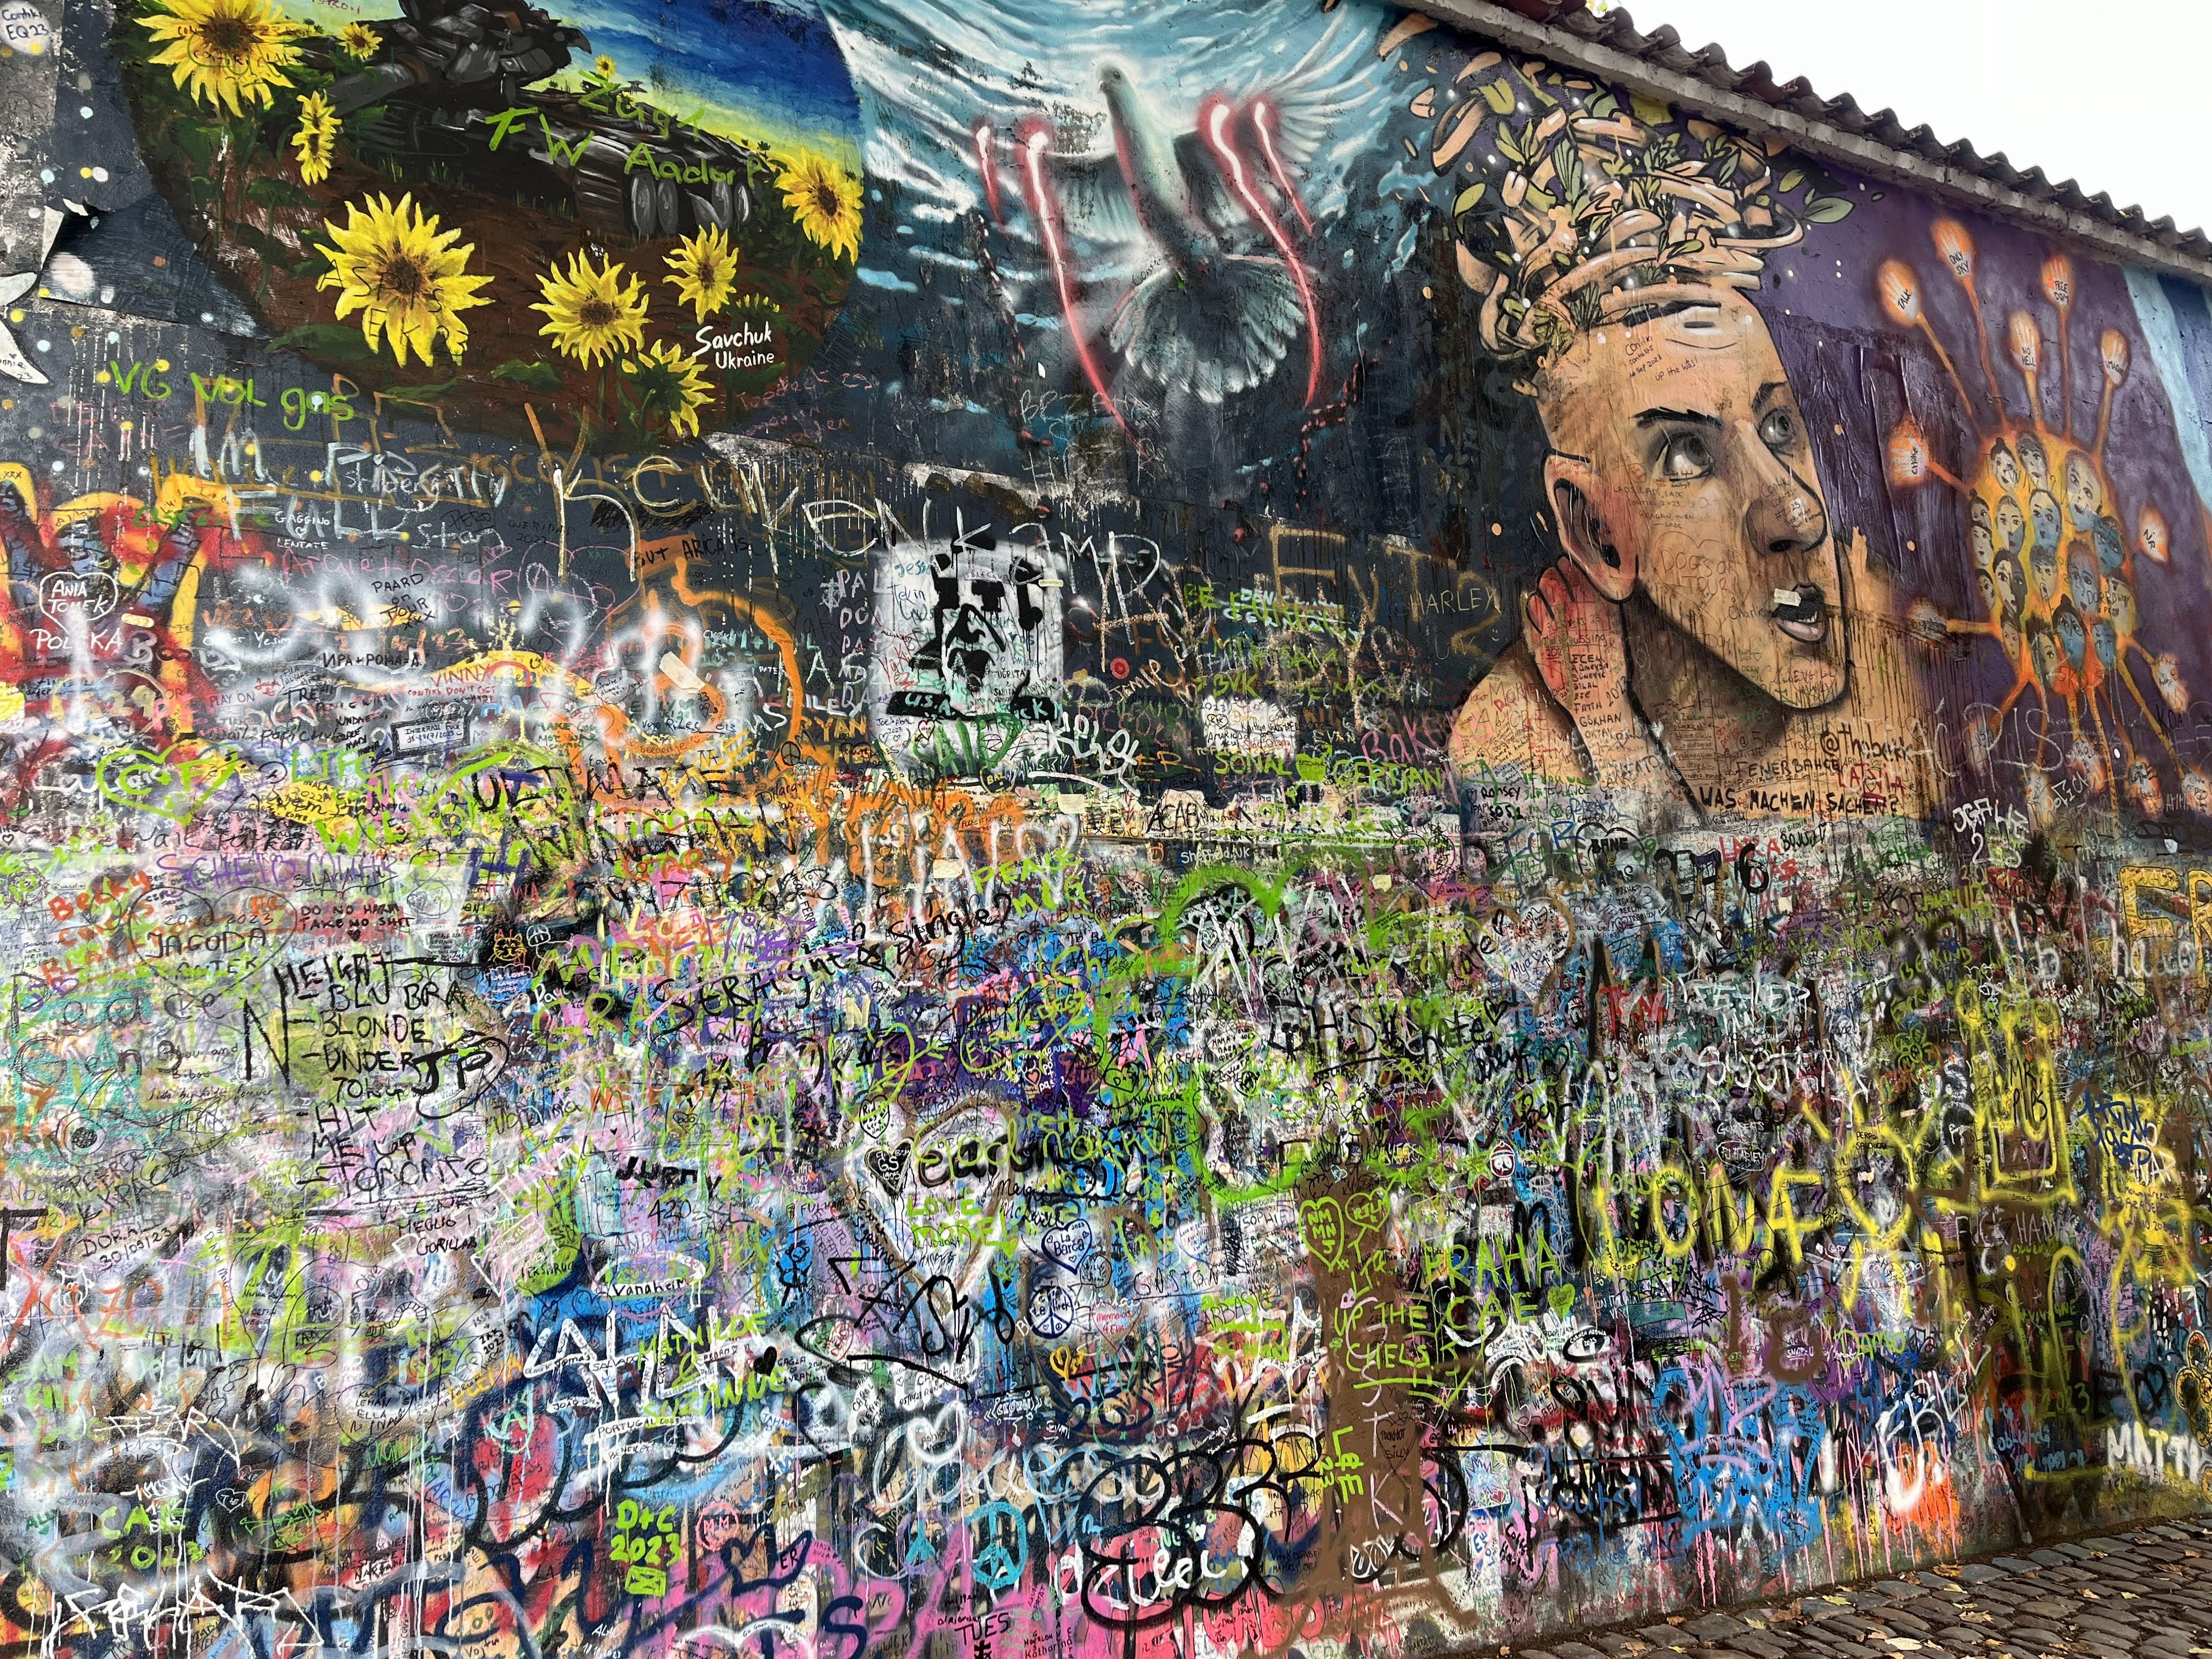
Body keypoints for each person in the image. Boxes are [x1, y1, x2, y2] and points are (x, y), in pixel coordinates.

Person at [1421, 57, 1923, 817]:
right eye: (1689, 451)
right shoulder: (1508, 737)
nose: (1796, 514)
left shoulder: (1896, 655)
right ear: (1596, 534)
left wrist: (1613, 735)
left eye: (1782, 427)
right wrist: (1606, 729)